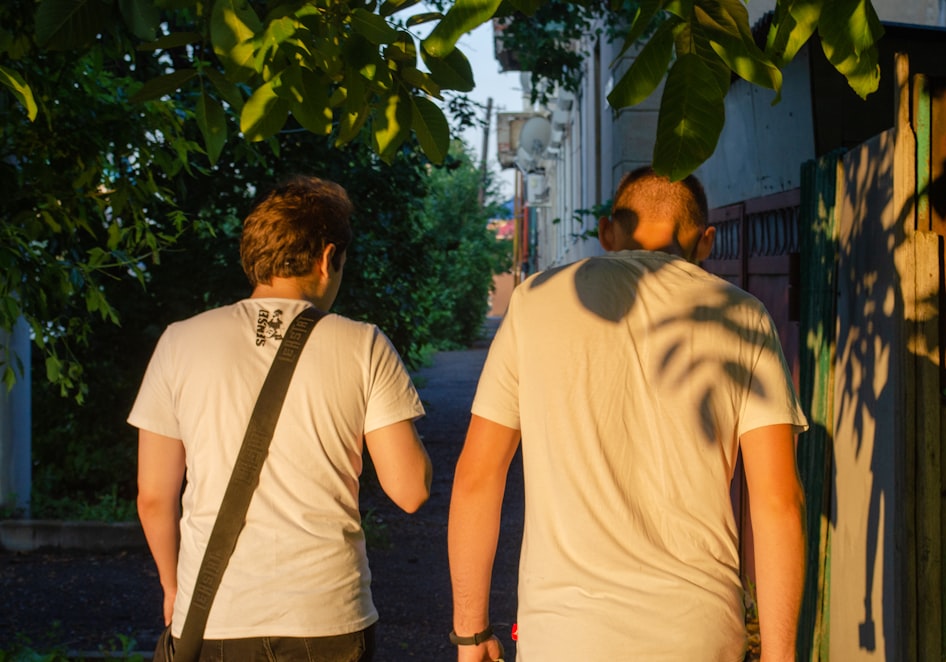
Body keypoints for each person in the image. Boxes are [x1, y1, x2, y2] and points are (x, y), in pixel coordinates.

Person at [448, 167, 808, 661]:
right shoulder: (743, 317)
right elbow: (777, 502)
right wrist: (780, 654)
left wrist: (471, 633)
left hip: (563, 637)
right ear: (706, 241)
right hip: (696, 635)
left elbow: (477, 476)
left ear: (606, 232)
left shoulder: (535, 302)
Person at [130, 175, 432, 661]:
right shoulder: (363, 344)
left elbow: (153, 497)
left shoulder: (179, 342)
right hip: (327, 617)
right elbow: (411, 490)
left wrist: (174, 588)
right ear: (327, 257)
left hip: (213, 616)